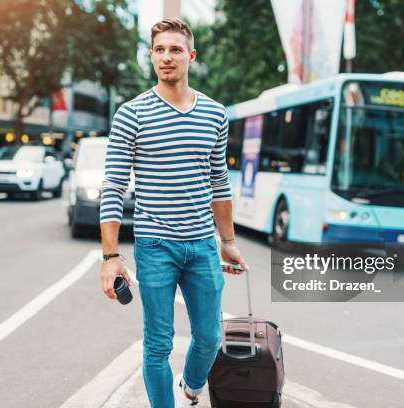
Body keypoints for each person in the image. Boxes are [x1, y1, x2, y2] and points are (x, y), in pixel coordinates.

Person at [99, 18, 249, 408]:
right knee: (157, 344)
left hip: (202, 245)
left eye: (176, 49)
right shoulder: (131, 114)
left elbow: (219, 182)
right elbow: (113, 187)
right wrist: (110, 258)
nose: (167, 57)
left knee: (210, 338)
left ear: (191, 56)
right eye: (160, 50)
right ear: (151, 56)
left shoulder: (215, 114)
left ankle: (192, 385)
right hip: (155, 245)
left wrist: (227, 241)